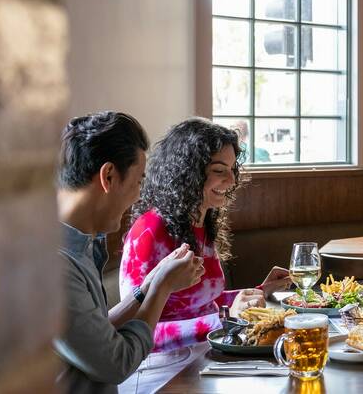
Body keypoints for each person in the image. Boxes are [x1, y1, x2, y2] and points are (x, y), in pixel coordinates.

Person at [53, 111, 205, 394]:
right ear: (108, 176)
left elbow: (96, 334)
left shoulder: (79, 245)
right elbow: (116, 363)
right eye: (138, 182)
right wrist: (162, 288)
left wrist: (146, 288)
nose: (138, 195)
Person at [118, 118, 291, 364]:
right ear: (187, 171)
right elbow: (134, 333)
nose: (231, 181)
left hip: (204, 359)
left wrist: (260, 292)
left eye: (232, 170)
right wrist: (225, 318)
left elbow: (204, 305)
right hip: (160, 370)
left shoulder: (202, 222)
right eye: (219, 170)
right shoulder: (150, 229)